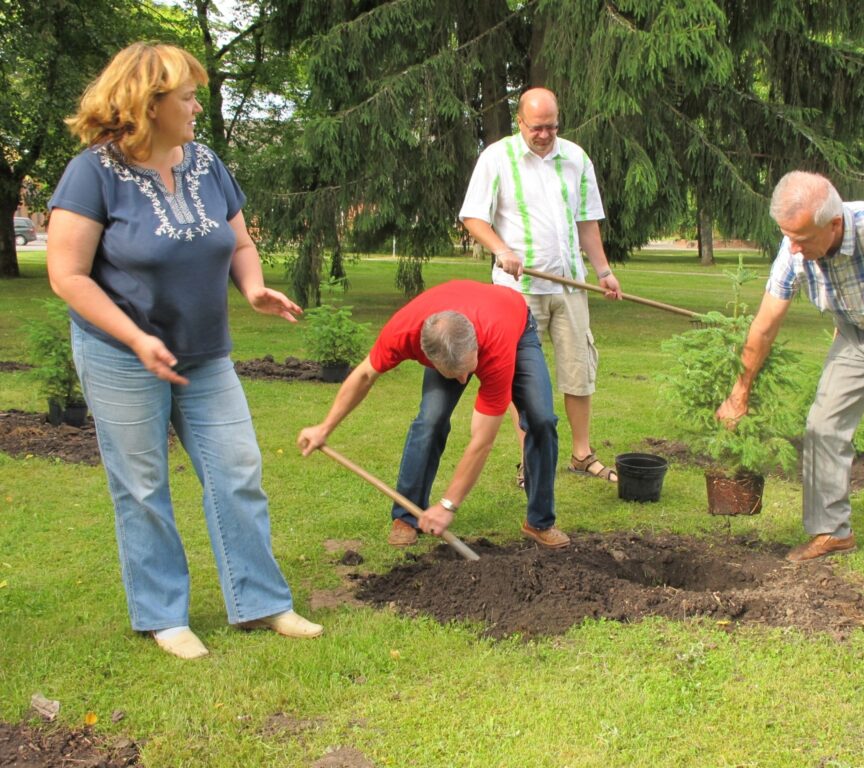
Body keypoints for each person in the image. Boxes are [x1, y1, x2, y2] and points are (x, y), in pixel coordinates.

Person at [46, 43, 322, 660]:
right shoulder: (92, 173)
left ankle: (260, 603)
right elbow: (68, 275)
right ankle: (163, 614)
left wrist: (252, 287)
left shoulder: (204, 163)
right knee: (142, 485)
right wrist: (135, 336)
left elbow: (239, 240)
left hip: (204, 353)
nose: (199, 105)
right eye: (188, 97)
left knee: (239, 470)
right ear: (150, 104)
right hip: (122, 354)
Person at [716, 171, 864, 603]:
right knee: (822, 424)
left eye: (802, 237)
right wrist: (740, 391)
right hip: (857, 330)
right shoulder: (795, 249)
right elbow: (766, 324)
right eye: (787, 236)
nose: (793, 247)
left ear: (834, 225)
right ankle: (832, 532)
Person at [296, 280, 568, 549]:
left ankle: (539, 521)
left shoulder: (496, 346)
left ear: (476, 348)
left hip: (515, 324)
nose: (464, 380)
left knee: (540, 418)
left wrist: (448, 505)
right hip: (452, 326)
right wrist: (324, 427)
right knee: (430, 420)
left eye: (468, 370)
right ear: (426, 357)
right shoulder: (403, 333)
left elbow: (482, 441)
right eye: (455, 374)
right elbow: (365, 375)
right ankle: (407, 516)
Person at [459, 87, 623, 488]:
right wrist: (500, 249)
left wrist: (602, 270)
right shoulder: (496, 158)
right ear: (520, 123)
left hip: (569, 283)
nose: (545, 134)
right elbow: (473, 217)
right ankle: (529, 461)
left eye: (552, 126)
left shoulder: (576, 158)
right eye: (537, 128)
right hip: (518, 291)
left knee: (578, 368)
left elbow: (587, 221)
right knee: (524, 378)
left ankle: (582, 454)